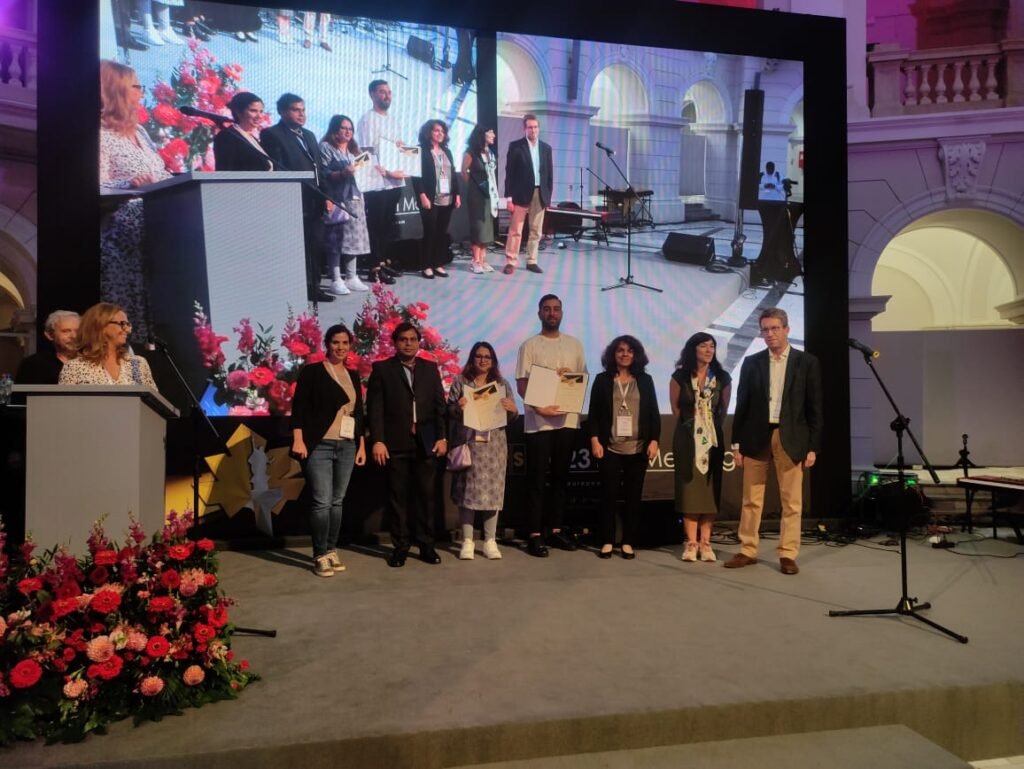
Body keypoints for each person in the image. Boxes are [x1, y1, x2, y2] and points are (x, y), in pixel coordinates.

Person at [725, 308, 822, 575]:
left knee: (791, 501)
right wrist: (736, 444)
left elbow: (815, 408)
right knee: (751, 498)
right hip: (756, 436)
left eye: (775, 328)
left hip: (791, 437)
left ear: (787, 329)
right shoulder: (752, 362)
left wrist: (813, 446)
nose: (770, 334)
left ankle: (788, 553)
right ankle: (747, 549)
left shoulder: (807, 362)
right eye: (765, 329)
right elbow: (742, 405)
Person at [99, 59, 172, 344]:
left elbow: (159, 173)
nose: (142, 93)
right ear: (115, 90)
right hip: (121, 243)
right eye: (136, 87)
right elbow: (92, 186)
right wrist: (128, 184)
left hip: (157, 237)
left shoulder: (140, 132)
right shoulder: (99, 135)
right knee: (126, 326)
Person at [367, 322, 448, 567]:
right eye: (403, 339)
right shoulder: (382, 369)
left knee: (427, 497)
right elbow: (375, 408)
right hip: (395, 442)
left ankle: (426, 546)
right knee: (398, 499)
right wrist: (378, 440)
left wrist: (442, 437)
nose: (408, 343)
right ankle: (401, 547)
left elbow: (439, 406)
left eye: (413, 339)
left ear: (418, 342)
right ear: (395, 342)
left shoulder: (430, 368)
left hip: (427, 442)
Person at [291, 324, 367, 577]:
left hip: (347, 445)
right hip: (319, 444)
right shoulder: (312, 372)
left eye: (345, 343)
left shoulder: (352, 375)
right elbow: (299, 408)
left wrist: (361, 445)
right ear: (327, 344)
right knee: (322, 501)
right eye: (336, 342)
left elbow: (358, 413)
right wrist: (299, 439)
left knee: (337, 501)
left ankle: (332, 550)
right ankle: (320, 554)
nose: (340, 347)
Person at [515, 294, 587, 557]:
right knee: (536, 480)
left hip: (567, 420)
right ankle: (534, 534)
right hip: (538, 423)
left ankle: (555, 530)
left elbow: (581, 379)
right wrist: (539, 408)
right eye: (547, 309)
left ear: (562, 313)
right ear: (539, 314)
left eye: (556, 309)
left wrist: (570, 378)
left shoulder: (575, 345)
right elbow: (522, 384)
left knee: (560, 479)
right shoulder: (529, 346)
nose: (552, 313)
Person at [588, 336, 660, 559]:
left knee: (633, 497)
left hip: (638, 448)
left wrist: (654, 440)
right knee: (608, 496)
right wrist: (594, 440)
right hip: (609, 448)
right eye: (620, 350)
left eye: (630, 350)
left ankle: (628, 542)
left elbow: (653, 413)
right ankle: (607, 541)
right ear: (613, 354)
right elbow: (594, 414)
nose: (625, 354)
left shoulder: (645, 380)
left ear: (636, 355)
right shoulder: (602, 380)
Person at [260, 92, 334, 303]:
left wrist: (327, 195)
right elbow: (278, 170)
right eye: (295, 110)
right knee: (296, 247)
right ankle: (297, 288)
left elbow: (319, 168)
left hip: (315, 200)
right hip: (292, 200)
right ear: (282, 112)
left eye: (303, 110)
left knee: (316, 245)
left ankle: (314, 288)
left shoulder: (309, 135)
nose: (301, 114)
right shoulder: (272, 134)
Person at [447, 342, 517, 561]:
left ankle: (490, 541)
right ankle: (467, 541)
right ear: (472, 358)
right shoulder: (461, 382)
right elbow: (449, 411)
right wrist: (458, 407)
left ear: (493, 360)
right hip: (469, 444)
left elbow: (511, 416)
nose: (483, 360)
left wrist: (512, 410)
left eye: (487, 356)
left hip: (494, 447)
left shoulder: (501, 384)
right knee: (468, 493)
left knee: (493, 494)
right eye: (478, 356)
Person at [670, 332, 732, 563]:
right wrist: (693, 426)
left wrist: (709, 428)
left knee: (710, 491)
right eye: (703, 346)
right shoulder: (680, 376)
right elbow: (676, 408)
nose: (708, 350)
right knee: (690, 490)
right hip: (687, 439)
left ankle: (706, 543)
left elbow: (723, 410)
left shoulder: (722, 377)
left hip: (712, 440)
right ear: (693, 349)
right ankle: (691, 542)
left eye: (712, 346)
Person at [357, 79, 406, 285]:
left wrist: (405, 161)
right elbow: (367, 151)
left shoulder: (393, 120)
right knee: (376, 225)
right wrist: (386, 171)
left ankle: (384, 262)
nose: (387, 95)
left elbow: (398, 148)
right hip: (377, 181)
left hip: (394, 180)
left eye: (389, 92)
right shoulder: (368, 119)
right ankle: (374, 268)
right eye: (382, 92)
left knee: (387, 225)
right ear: (372, 94)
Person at [318, 114, 372, 296]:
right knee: (336, 239)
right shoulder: (326, 147)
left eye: (350, 128)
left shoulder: (355, 150)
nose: (348, 131)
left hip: (356, 198)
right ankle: (335, 279)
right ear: (335, 129)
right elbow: (323, 174)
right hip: (337, 199)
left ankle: (351, 276)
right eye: (343, 128)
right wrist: (342, 173)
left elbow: (365, 173)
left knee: (354, 239)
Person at [58, 303, 156, 389]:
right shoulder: (75, 367)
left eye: (128, 324)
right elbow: (66, 402)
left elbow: (152, 401)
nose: (127, 330)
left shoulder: (137, 364)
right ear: (100, 325)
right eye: (122, 324)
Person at [503, 113, 553, 275]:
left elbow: (549, 175)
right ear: (524, 129)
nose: (533, 130)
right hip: (520, 194)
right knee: (516, 230)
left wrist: (548, 197)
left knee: (536, 230)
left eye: (535, 127)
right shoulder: (515, 146)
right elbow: (509, 174)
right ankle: (511, 261)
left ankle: (532, 261)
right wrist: (508, 197)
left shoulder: (546, 148)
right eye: (530, 127)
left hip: (540, 193)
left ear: (539, 128)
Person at [412, 119, 461, 280]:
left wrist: (457, 194)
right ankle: (426, 265)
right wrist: (422, 195)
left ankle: (438, 263)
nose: (440, 134)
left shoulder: (447, 151)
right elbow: (416, 176)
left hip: (447, 198)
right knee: (430, 232)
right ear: (429, 132)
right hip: (430, 198)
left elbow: (453, 174)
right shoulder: (421, 151)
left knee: (441, 232)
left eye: (442, 131)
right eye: (436, 130)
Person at [461, 125, 498, 274]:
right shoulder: (471, 152)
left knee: (487, 228)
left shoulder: (490, 153)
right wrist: (473, 186)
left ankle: (483, 260)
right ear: (482, 134)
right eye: (491, 132)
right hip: (476, 194)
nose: (494, 135)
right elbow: (464, 171)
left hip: (490, 193)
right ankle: (475, 261)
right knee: (478, 228)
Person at [15, 310, 80, 385]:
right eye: (66, 331)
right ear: (49, 335)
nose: (74, 336)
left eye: (78, 331)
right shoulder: (33, 364)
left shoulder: (90, 362)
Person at [213, 92, 273, 171]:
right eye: (253, 111)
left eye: (261, 111)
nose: (259, 116)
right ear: (238, 112)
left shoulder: (252, 138)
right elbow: (226, 170)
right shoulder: (227, 136)